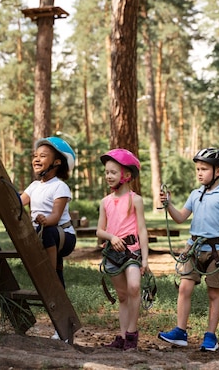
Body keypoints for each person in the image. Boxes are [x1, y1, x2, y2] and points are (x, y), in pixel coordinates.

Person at [157, 147, 219, 352]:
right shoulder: (195, 195)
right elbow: (180, 217)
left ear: (218, 171)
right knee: (184, 288)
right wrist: (168, 204)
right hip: (194, 249)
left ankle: (210, 336)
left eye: (204, 168)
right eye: (197, 169)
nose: (199, 173)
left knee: (214, 293)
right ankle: (180, 332)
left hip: (217, 251)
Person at [20, 136, 77, 340]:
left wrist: (46, 220)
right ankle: (63, 327)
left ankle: (49, 272)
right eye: (35, 155)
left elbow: (55, 216)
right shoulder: (34, 186)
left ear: (57, 162)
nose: (36, 159)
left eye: (43, 156)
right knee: (58, 284)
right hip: (43, 236)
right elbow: (18, 202)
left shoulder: (59, 186)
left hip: (62, 235)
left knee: (48, 233)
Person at [95, 149, 149, 351]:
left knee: (134, 287)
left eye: (113, 172)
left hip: (132, 252)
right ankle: (121, 336)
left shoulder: (136, 200)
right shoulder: (105, 202)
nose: (108, 176)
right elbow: (100, 231)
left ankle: (132, 334)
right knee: (122, 295)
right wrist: (112, 237)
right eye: (107, 172)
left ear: (126, 175)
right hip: (112, 253)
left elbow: (142, 229)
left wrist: (145, 258)